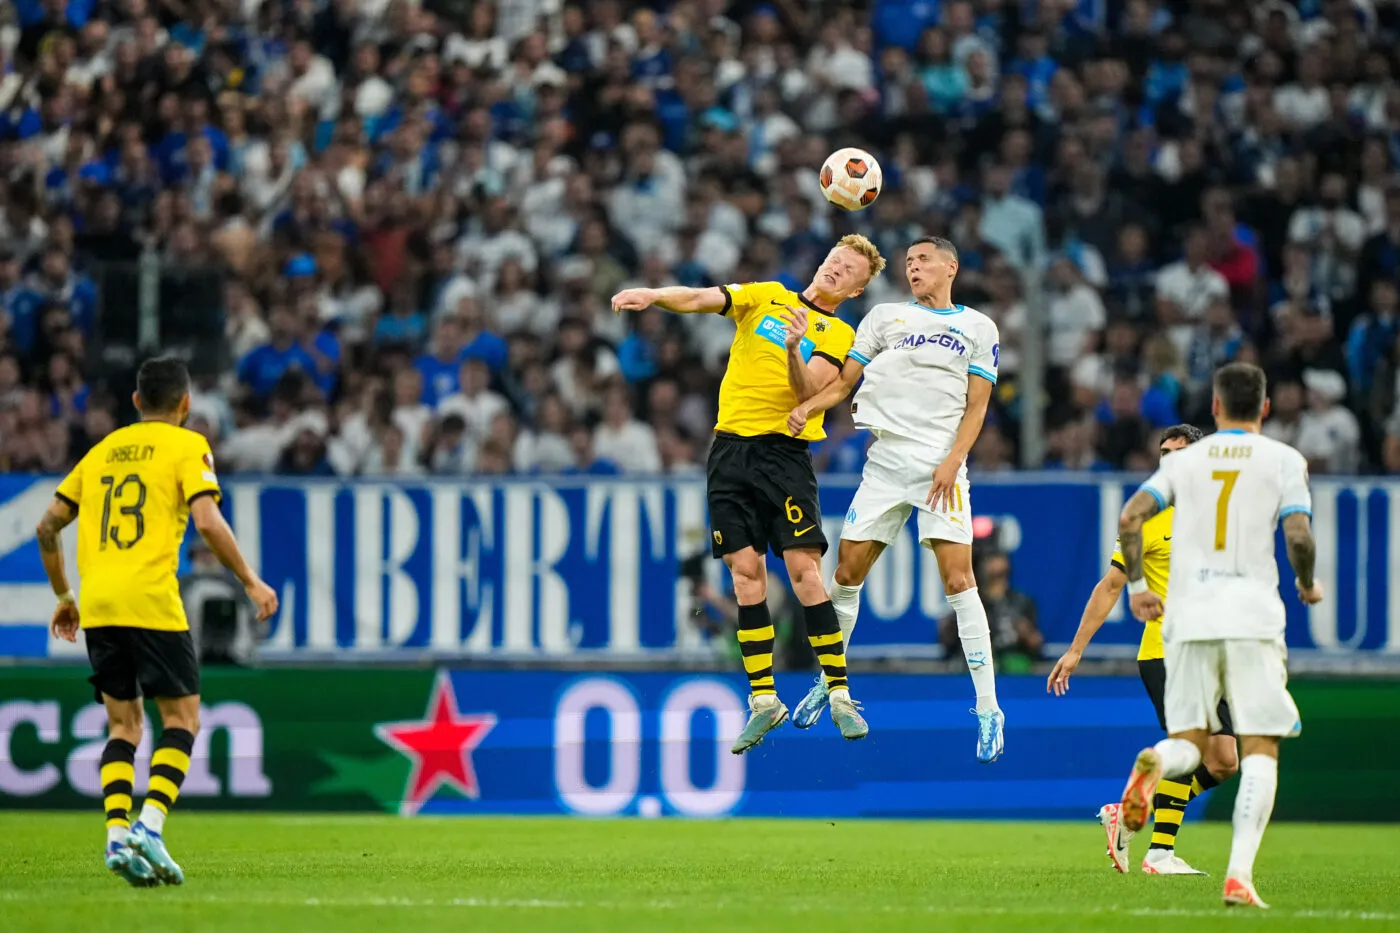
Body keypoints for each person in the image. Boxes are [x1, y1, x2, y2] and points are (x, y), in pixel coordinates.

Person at [611, 234, 887, 752]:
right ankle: (764, 699)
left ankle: (840, 694)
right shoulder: (766, 295)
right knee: (743, 574)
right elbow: (699, 298)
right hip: (729, 453)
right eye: (834, 259)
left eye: (848, 270)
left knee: (805, 573)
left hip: (783, 456)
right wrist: (652, 293)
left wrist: (789, 349)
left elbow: (810, 393)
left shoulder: (837, 331)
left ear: (854, 290)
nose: (835, 269)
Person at [36, 357, 278, 887]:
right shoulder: (188, 445)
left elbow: (47, 526)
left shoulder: (99, 453)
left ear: (136, 402)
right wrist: (250, 581)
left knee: (123, 725)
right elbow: (208, 521)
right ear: (186, 405)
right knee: (183, 719)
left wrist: (63, 595)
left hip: (98, 605)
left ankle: (116, 835)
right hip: (150, 599)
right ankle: (149, 824)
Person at [786, 237, 1005, 762]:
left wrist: (954, 458)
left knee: (959, 580)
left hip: (940, 464)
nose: (914, 267)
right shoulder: (884, 318)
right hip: (886, 461)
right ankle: (830, 680)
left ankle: (989, 707)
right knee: (846, 572)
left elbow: (977, 407)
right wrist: (809, 407)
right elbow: (844, 383)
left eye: (923, 260)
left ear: (951, 266)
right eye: (908, 262)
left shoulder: (977, 327)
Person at [1115, 362, 1321, 909]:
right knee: (1257, 749)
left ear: (1214, 408)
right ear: (1266, 408)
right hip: (1250, 615)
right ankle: (1238, 876)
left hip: (1188, 622)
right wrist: (1306, 581)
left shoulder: (1186, 461)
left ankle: (1157, 765)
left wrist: (1137, 586)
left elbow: (1131, 516)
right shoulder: (1284, 459)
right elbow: (1298, 533)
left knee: (1191, 743)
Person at [1048, 423, 1243, 876]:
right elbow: (1111, 585)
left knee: (1224, 761)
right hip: (1167, 651)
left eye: (1179, 452)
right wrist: (1076, 650)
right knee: (1192, 748)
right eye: (1164, 453)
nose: (1169, 460)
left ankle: (1133, 814)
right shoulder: (1147, 519)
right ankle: (1159, 853)